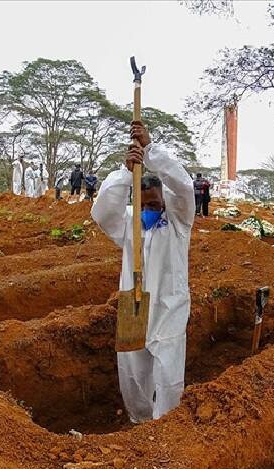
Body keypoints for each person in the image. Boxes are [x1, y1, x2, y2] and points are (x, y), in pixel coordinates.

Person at [91, 121, 194, 423]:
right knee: (133, 370)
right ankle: (140, 422)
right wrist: (126, 173)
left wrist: (150, 151)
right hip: (133, 302)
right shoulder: (128, 222)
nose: (149, 209)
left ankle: (165, 427)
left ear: (164, 203)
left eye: (155, 204)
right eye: (144, 205)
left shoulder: (178, 221)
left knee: (168, 374)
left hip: (168, 306)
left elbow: (183, 187)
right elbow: (102, 212)